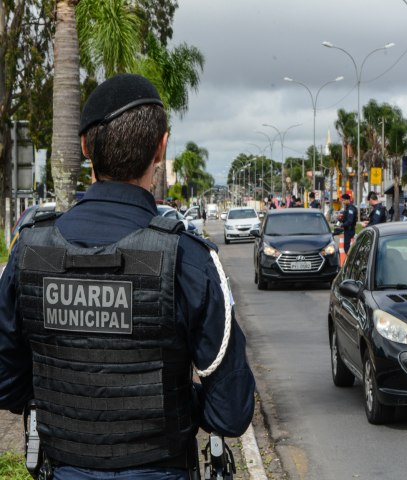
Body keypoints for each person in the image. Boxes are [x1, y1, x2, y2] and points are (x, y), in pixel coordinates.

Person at [0, 73, 256, 479]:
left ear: (85, 147)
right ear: (162, 147)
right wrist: (171, 403)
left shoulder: (29, 253)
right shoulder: (188, 260)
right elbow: (230, 411)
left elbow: (6, 384)